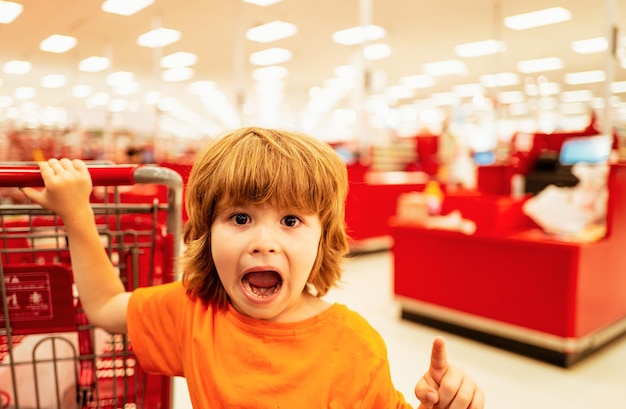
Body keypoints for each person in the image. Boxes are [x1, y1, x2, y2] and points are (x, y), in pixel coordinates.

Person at [22, 127, 484, 408]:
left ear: (323, 239)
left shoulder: (355, 349)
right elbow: (105, 306)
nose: (264, 243)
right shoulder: (193, 312)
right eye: (240, 218)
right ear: (206, 233)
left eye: (290, 221)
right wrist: (77, 215)